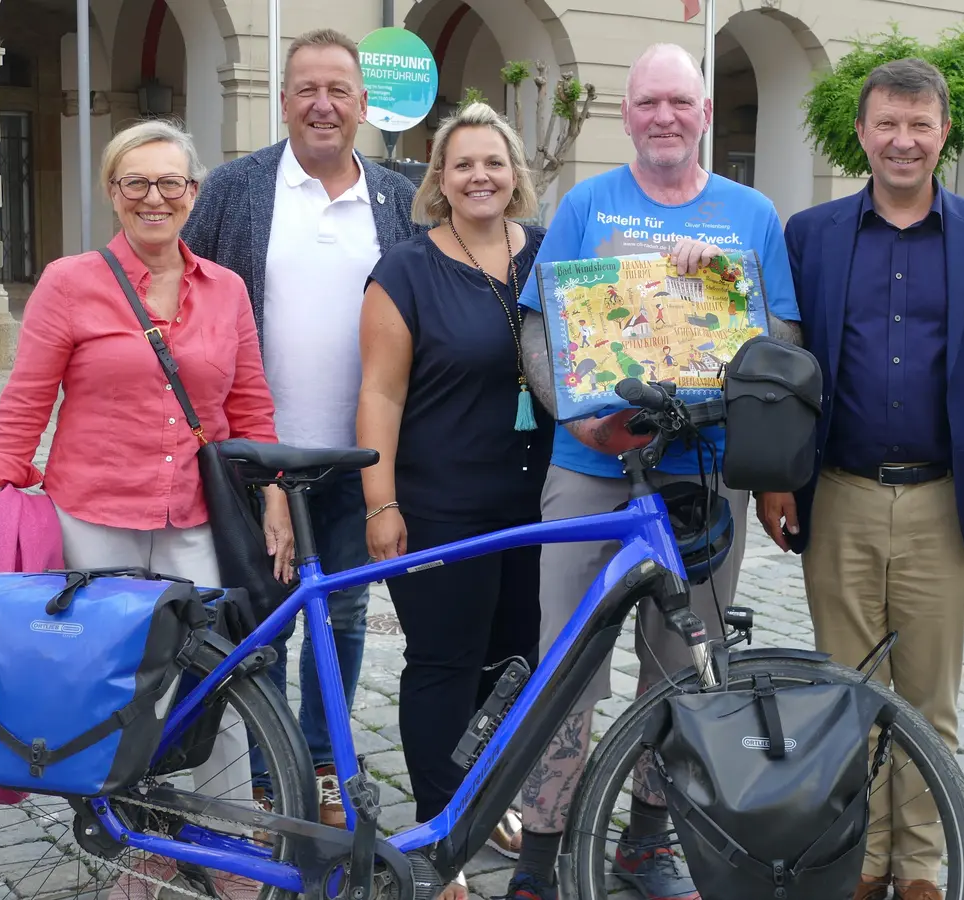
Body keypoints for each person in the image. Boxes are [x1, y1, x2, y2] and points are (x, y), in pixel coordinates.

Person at [502, 42, 802, 900]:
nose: (663, 117)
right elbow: (538, 328)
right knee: (567, 668)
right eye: (646, 103)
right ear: (626, 115)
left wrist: (725, 289)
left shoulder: (752, 214)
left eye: (678, 102)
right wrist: (578, 419)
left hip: (701, 478)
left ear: (704, 113)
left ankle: (645, 842)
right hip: (590, 469)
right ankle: (541, 851)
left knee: (681, 671)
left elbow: (782, 341)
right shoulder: (585, 204)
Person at [0, 118, 288, 900]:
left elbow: (250, 406)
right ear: (113, 193)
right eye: (136, 182)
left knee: (214, 685)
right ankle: (137, 851)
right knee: (111, 691)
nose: (155, 197)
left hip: (194, 520)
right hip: (94, 519)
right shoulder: (69, 282)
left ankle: (223, 847)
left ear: (193, 193)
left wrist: (276, 493)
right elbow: (28, 396)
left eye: (170, 182)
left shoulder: (226, 289)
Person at [756, 57, 964, 900]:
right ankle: (862, 860)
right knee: (846, 693)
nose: (903, 141)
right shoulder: (811, 235)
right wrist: (775, 477)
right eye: (887, 124)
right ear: (862, 133)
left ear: (944, 132)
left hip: (945, 501)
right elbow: (785, 366)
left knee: (926, 699)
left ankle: (918, 867)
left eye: (919, 125)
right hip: (838, 493)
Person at [180, 27, 425, 828]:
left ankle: (323, 764)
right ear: (283, 101)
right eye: (307, 90)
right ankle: (262, 770)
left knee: (344, 615)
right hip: (254, 460)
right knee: (263, 619)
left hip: (355, 457)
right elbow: (185, 291)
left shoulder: (395, 200)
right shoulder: (235, 189)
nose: (323, 104)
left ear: (362, 104)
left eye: (338, 90)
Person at [354, 101, 551, 877]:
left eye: (493, 162)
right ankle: (439, 836)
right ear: (439, 177)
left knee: (516, 662)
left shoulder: (545, 254)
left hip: (537, 504)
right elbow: (380, 395)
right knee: (445, 665)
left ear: (514, 174)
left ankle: (486, 796)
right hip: (439, 505)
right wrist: (380, 503)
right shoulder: (405, 270)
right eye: (463, 163)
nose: (479, 176)